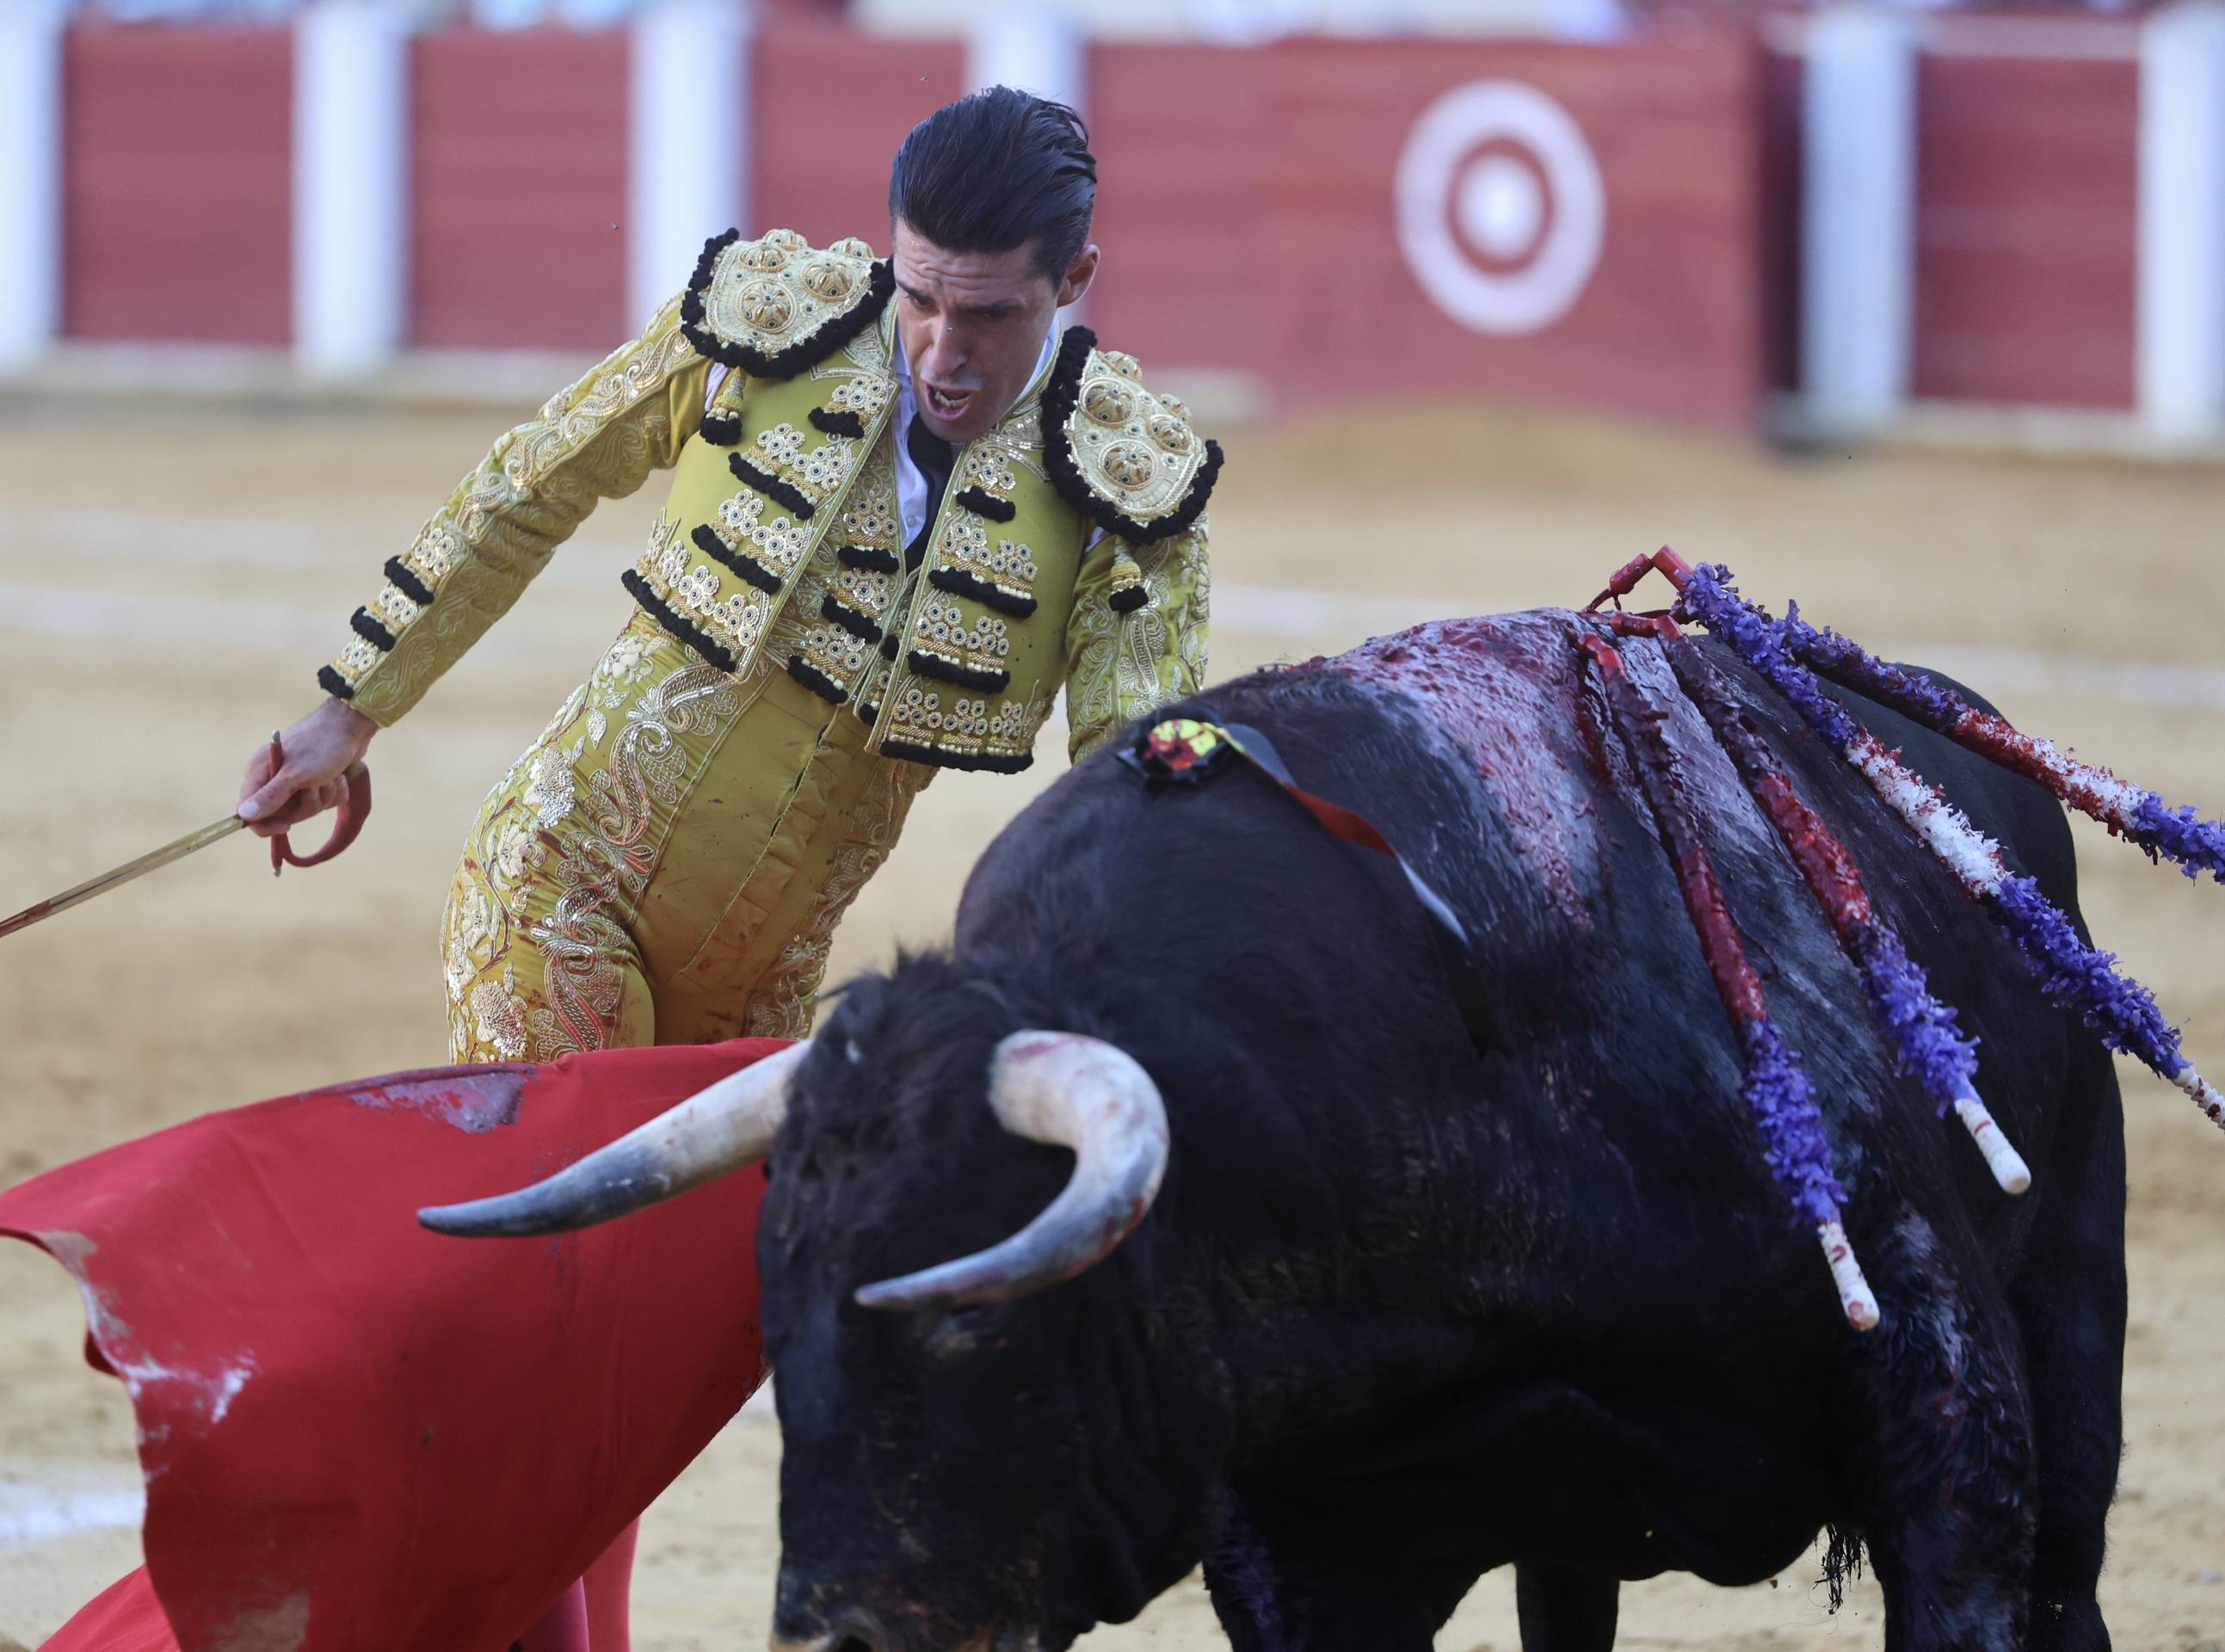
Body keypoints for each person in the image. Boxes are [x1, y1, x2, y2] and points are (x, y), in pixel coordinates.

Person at [20, 86, 1215, 1652]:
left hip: (765, 995)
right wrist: (350, 706)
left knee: (626, 1356)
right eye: (919, 295)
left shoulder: (1122, 482)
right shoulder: (770, 328)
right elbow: (534, 481)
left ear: (1075, 282)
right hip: (561, 877)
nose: (939, 348)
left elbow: (1129, 792)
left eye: (986, 315)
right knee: (557, 1314)